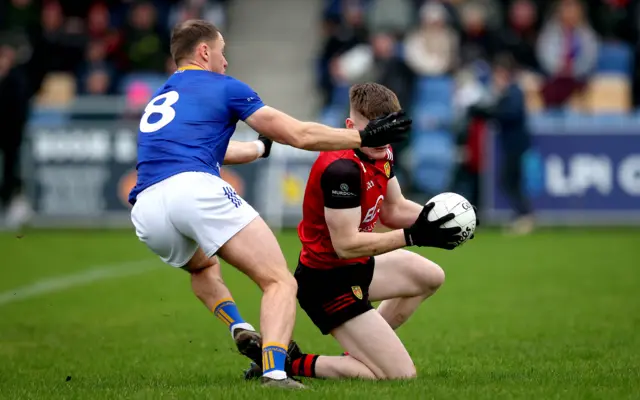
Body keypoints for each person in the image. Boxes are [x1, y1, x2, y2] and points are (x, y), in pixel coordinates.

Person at [128, 20, 411, 389]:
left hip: (147, 208)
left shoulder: (162, 98)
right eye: (221, 50)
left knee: (202, 269)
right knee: (279, 281)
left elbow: (214, 150)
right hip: (193, 190)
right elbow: (299, 134)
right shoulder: (223, 86)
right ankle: (276, 371)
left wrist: (260, 148)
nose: (225, 61)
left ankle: (238, 326)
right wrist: (363, 135)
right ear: (203, 52)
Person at [243, 83, 478, 381]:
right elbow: (346, 245)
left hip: (357, 268)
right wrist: (414, 236)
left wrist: (447, 220)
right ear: (351, 127)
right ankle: (291, 362)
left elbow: (393, 209)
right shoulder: (342, 170)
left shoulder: (383, 151)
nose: (383, 140)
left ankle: (363, 350)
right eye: (375, 131)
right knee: (400, 376)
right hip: (327, 283)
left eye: (388, 130)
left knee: (430, 276)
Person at [469, 54, 533, 235]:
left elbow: (508, 114)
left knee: (508, 180)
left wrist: (486, 112)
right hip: (512, 144)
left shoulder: (514, 92)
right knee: (512, 180)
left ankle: (525, 215)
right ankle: (523, 215)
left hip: (516, 145)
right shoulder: (508, 93)